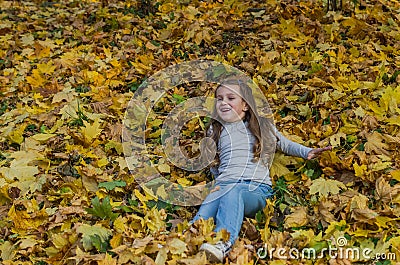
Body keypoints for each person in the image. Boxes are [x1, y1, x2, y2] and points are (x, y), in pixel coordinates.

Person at [191, 78, 331, 263]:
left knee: (235, 191)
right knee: (201, 217)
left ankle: (222, 242)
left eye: (231, 98)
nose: (223, 102)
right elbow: (214, 162)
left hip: (254, 190)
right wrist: (217, 182)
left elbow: (284, 144)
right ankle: (184, 242)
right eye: (219, 99)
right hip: (224, 187)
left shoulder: (261, 126)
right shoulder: (214, 130)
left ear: (246, 106)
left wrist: (306, 152)